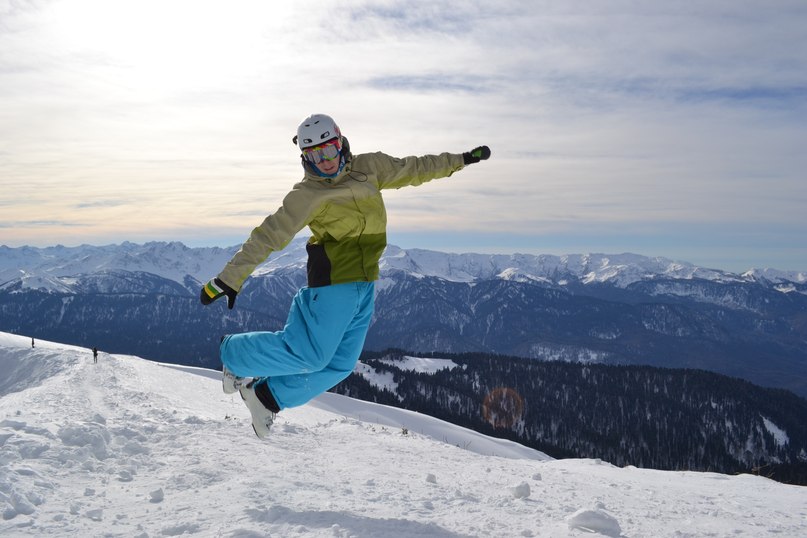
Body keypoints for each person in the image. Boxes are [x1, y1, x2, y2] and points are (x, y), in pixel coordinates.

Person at [200, 113, 490, 439]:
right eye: (314, 155)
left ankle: (267, 397)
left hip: (365, 282)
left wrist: (461, 160)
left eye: (328, 150)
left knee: (339, 364)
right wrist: (229, 278)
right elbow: (269, 235)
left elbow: (416, 168)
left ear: (340, 142)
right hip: (333, 282)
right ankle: (234, 355)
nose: (324, 161)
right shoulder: (307, 194)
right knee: (311, 355)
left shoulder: (371, 167)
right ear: (304, 157)